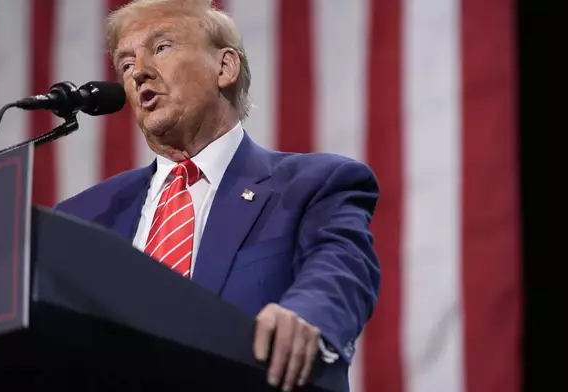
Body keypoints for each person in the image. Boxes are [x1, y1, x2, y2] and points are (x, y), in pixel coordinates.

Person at [55, 0, 380, 391]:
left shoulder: (313, 185)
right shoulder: (81, 217)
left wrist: (307, 316)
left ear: (224, 67)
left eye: (161, 48)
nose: (139, 72)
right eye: (126, 64)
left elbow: (341, 270)